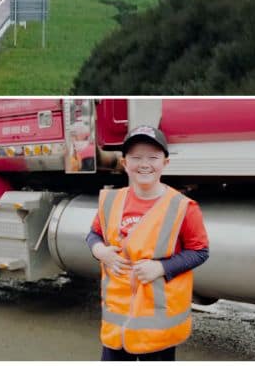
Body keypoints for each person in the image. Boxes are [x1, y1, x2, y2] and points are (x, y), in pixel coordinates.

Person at [87, 125, 210, 361]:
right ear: (124, 163)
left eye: (153, 157)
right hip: (117, 324)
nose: (144, 164)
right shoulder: (111, 201)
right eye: (136, 157)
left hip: (157, 328)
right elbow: (93, 234)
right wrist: (100, 251)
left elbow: (200, 251)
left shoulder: (183, 207)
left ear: (165, 163)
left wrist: (161, 268)